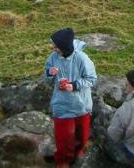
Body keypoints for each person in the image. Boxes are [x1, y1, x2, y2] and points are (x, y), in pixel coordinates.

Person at [44, 27, 97, 168]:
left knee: (82, 137)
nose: (53, 48)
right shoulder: (53, 57)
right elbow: (46, 72)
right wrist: (49, 72)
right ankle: (62, 162)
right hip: (61, 105)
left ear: (64, 47)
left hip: (81, 105)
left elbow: (91, 79)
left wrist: (74, 85)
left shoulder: (81, 58)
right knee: (63, 139)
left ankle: (77, 154)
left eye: (56, 46)